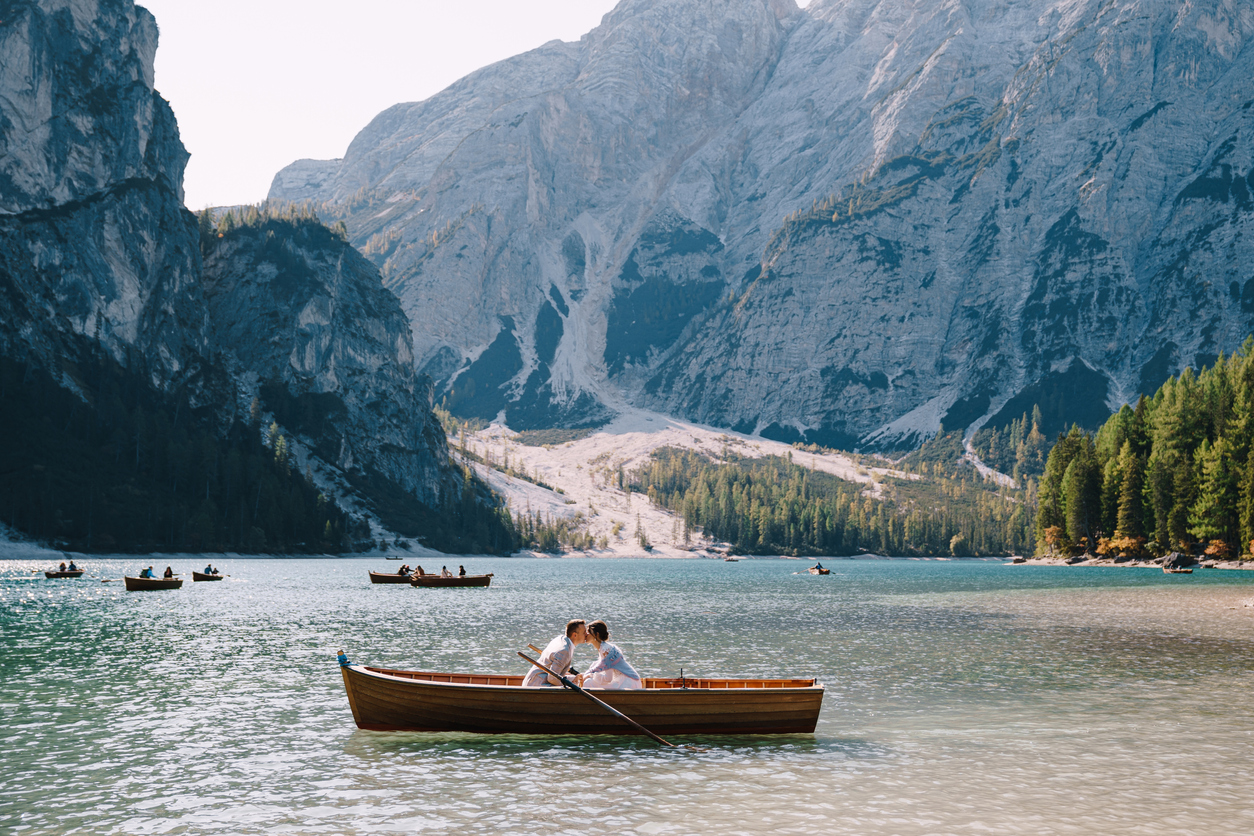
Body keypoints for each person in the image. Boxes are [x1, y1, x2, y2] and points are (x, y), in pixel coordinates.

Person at [576, 620, 643, 690]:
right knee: (588, 681)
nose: (586, 634)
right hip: (624, 681)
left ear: (596, 634)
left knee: (588, 682)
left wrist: (591, 675)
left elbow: (608, 678)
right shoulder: (604, 648)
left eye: (589, 632)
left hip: (628, 683)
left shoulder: (606, 650)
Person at [523, 620, 587, 687]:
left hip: (533, 681)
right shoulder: (564, 651)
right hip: (537, 685)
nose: (586, 634)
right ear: (575, 635)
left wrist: (573, 678)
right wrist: (572, 681)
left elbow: (555, 675)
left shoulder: (561, 638)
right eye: (584, 632)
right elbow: (553, 679)